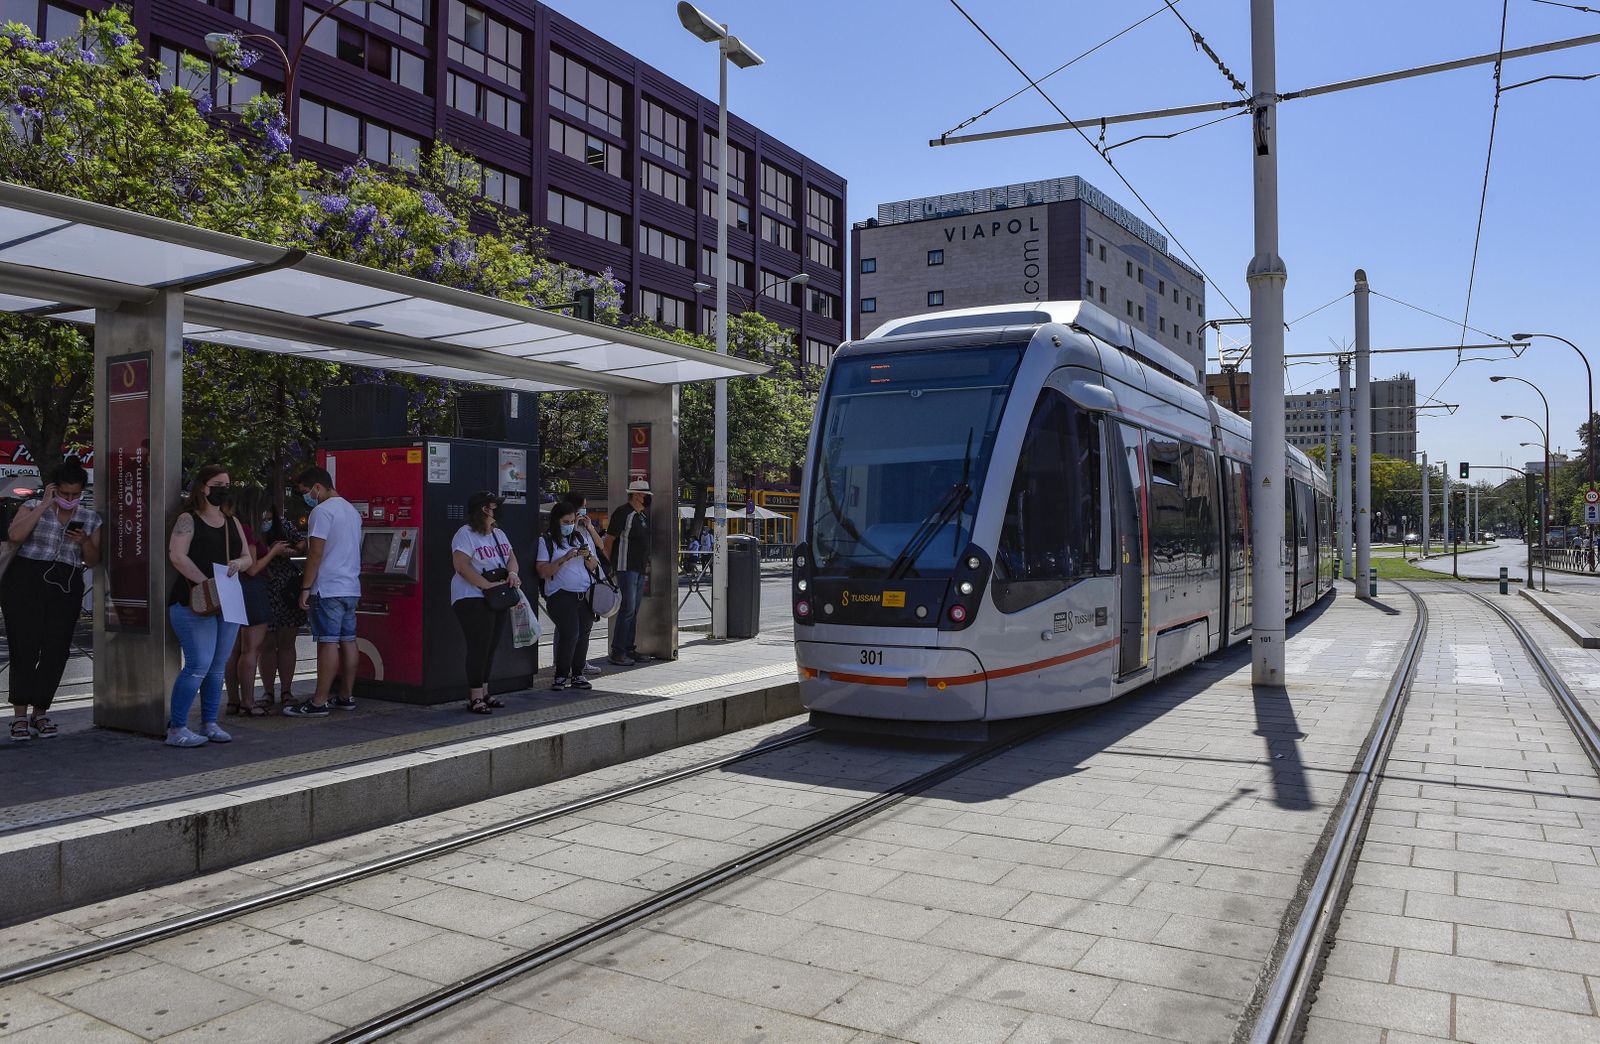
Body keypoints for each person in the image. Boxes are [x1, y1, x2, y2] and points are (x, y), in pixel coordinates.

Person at [2, 462, 101, 741]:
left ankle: (41, 711)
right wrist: (45, 505)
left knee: (56, 649)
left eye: (75, 494)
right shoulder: (33, 506)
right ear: (54, 489)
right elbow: (15, 535)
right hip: (26, 579)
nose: (70, 499)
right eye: (65, 493)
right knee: (25, 647)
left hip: (65, 581)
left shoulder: (89, 517)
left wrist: (83, 541)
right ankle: (19, 716)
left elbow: (93, 560)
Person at [166, 465, 252, 747]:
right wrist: (207, 584)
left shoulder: (231, 521)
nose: (224, 489)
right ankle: (177, 727)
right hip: (193, 601)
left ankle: (209, 723)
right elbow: (177, 556)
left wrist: (239, 564)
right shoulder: (187, 519)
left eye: (228, 483)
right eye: (218, 483)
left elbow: (246, 557)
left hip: (227, 601)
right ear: (203, 487)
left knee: (217, 666)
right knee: (198, 664)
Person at [286, 466, 362, 717]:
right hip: (350, 586)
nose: (306, 497)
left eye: (306, 492)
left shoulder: (321, 512)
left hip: (327, 587)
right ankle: (346, 695)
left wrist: (305, 588)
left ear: (317, 487)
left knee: (327, 642)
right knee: (348, 640)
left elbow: (315, 553)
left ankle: (318, 702)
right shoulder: (351, 511)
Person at [450, 490, 522, 714]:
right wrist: (485, 585)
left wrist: (512, 573)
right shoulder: (465, 533)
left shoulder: (498, 533)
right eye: (494, 506)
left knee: (491, 645)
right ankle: (475, 697)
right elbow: (461, 566)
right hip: (471, 595)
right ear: (485, 509)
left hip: (496, 595)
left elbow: (511, 558)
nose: (498, 510)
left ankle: (485, 691)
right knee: (479, 646)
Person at [225, 492, 285, 716]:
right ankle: (248, 702)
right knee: (251, 649)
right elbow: (251, 567)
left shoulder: (228, 526)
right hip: (252, 590)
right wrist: (273, 552)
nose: (266, 516)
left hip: (233, 589)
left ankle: (233, 701)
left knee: (234, 651)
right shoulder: (247, 531)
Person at [537, 501, 602, 691]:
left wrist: (588, 556)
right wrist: (565, 557)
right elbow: (543, 571)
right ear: (556, 521)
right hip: (560, 595)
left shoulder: (581, 537)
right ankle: (561, 675)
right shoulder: (546, 541)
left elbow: (594, 566)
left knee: (583, 634)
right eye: (566, 521)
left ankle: (578, 674)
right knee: (570, 633)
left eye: (573, 521)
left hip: (585, 594)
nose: (570, 525)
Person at [257, 504, 307, 706]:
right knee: (266, 644)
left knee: (287, 643)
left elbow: (302, 544)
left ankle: (286, 691)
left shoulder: (284, 524)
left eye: (270, 517)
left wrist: (291, 550)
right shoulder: (249, 526)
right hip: (263, 588)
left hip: (287, 590)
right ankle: (268, 692)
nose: (267, 520)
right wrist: (272, 552)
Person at [604, 479, 654, 666]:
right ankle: (618, 651)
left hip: (639, 568)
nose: (647, 498)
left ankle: (628, 648)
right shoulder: (623, 513)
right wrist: (609, 567)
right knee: (627, 609)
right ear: (635, 495)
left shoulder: (641, 515)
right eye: (645, 494)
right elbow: (609, 541)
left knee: (633, 610)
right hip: (626, 567)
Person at [570, 494, 605, 678]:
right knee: (569, 628)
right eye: (582, 507)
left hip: (591, 581)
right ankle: (566, 663)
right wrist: (574, 525)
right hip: (574, 583)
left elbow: (600, 545)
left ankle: (581, 662)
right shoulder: (568, 529)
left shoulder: (587, 529)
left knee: (585, 626)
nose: (585, 510)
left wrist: (590, 527)